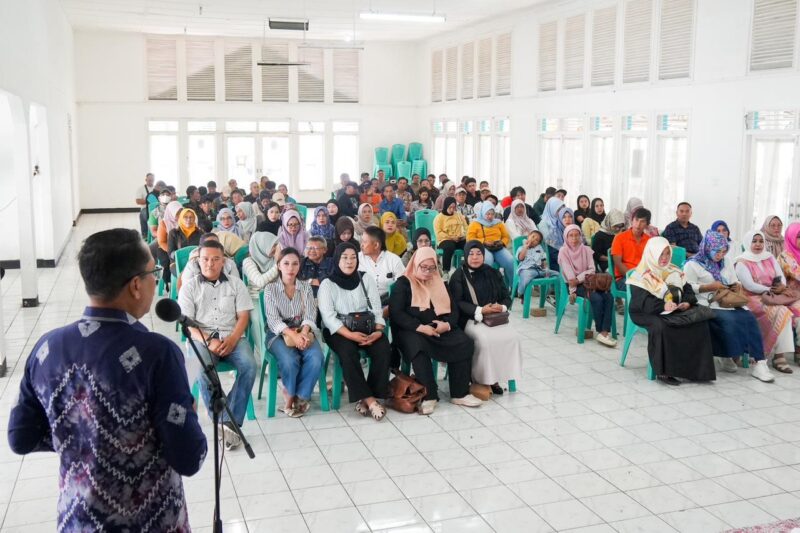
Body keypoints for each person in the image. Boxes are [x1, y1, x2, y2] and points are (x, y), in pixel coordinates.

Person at [8, 229, 206, 531]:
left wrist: (84, 435)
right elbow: (189, 457)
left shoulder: (47, 348)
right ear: (136, 285)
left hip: (78, 521)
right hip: (149, 523)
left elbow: (20, 438)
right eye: (153, 272)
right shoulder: (157, 353)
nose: (155, 281)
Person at [178, 240, 256, 450]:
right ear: (198, 260)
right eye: (205, 259)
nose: (210, 264)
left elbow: (243, 317)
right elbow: (187, 325)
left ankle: (228, 422)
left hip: (232, 336)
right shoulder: (189, 287)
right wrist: (209, 340)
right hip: (201, 338)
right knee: (201, 367)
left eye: (215, 259)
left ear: (224, 261)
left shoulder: (236, 284)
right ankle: (223, 421)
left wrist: (233, 338)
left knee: (249, 365)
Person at [389, 247, 483, 414]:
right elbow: (396, 313)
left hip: (438, 327)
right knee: (417, 346)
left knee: (464, 342)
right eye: (423, 267)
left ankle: (460, 393)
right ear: (415, 264)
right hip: (412, 329)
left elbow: (454, 310)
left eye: (432, 268)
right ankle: (429, 395)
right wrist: (420, 327)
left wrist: (447, 325)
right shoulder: (403, 284)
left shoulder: (440, 283)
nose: (428, 272)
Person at [684, 230, 775, 381]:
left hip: (728, 301)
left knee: (750, 319)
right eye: (717, 251)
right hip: (706, 303)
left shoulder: (725, 261)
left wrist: (736, 285)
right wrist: (708, 287)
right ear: (707, 247)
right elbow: (687, 287)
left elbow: (734, 279)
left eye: (723, 251)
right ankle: (726, 354)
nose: (720, 255)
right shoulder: (692, 265)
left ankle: (760, 363)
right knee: (729, 321)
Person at [627, 237, 716, 385]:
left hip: (674, 308)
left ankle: (697, 371)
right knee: (662, 326)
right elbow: (642, 301)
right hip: (645, 312)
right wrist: (663, 306)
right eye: (660, 254)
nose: (664, 258)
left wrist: (687, 302)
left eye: (667, 253)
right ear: (652, 254)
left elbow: (688, 290)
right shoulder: (640, 275)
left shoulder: (674, 270)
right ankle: (664, 372)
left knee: (699, 323)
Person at [318, 243, 391, 421]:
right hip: (338, 331)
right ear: (337, 259)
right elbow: (328, 318)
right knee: (348, 352)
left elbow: (376, 309)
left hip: (366, 327)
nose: (349, 262)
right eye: (344, 257)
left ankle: (369, 395)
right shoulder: (327, 284)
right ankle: (370, 400)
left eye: (353, 257)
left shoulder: (366, 279)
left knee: (383, 347)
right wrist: (351, 335)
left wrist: (378, 331)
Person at [449, 241, 522, 395]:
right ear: (465, 255)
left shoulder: (493, 273)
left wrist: (501, 307)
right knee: (486, 340)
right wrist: (481, 310)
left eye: (479, 254)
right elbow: (457, 302)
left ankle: (502, 375)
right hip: (471, 319)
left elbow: (506, 296)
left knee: (512, 338)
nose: (475, 257)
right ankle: (484, 379)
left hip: (494, 318)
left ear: (484, 255)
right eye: (471, 254)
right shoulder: (458, 276)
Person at [264, 248, 325, 417]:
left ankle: (300, 397)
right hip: (278, 333)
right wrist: (293, 335)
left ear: (299, 266)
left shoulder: (305, 287)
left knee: (316, 357)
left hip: (302, 329)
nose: (290, 268)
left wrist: (303, 333)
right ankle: (289, 395)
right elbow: (273, 320)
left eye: (295, 264)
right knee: (290, 360)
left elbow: (310, 314)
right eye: (286, 263)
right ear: (278, 266)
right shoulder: (270, 289)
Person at [735, 230, 798, 373]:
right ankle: (774, 355)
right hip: (752, 298)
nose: (758, 244)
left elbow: (780, 277)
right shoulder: (741, 262)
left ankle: (779, 356)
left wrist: (781, 286)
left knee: (785, 312)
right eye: (754, 241)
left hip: (772, 296)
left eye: (761, 241)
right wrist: (770, 289)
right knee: (782, 312)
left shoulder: (769, 257)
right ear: (748, 243)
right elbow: (749, 285)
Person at [558, 225, 617, 347]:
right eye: (571, 236)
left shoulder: (586, 250)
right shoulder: (563, 251)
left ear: (580, 236)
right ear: (566, 237)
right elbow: (570, 277)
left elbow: (592, 269)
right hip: (574, 286)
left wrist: (578, 278)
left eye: (577, 235)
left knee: (609, 297)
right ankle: (601, 332)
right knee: (596, 298)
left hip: (589, 282)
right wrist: (573, 290)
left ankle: (605, 331)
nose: (574, 238)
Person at [467, 202, 514, 287]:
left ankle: (513, 286)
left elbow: (506, 236)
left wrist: (501, 242)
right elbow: (470, 238)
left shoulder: (498, 223)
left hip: (497, 247)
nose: (490, 216)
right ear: (483, 213)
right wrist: (483, 241)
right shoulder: (475, 223)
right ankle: (487, 286)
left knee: (510, 261)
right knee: (487, 261)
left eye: (492, 214)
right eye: (487, 214)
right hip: (482, 247)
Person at [359, 226, 405, 306]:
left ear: (376, 245)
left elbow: (402, 287)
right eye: (361, 241)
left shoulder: (394, 260)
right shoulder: (357, 259)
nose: (361, 245)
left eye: (364, 242)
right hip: (363, 303)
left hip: (389, 303)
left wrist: (389, 308)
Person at [611, 208, 652, 290]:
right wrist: (634, 277)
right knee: (643, 289)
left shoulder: (649, 240)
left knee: (661, 286)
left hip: (644, 277)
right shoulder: (619, 238)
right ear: (631, 220)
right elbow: (618, 263)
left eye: (642, 221)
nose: (638, 224)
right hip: (623, 278)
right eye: (636, 220)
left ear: (647, 224)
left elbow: (651, 262)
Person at [516, 230, 558, 297]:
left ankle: (556, 293)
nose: (533, 240)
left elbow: (543, 260)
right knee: (525, 276)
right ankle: (520, 292)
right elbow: (520, 258)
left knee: (557, 274)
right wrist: (525, 247)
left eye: (536, 240)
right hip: (527, 269)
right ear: (528, 236)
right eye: (533, 237)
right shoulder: (521, 248)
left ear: (538, 243)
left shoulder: (539, 249)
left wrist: (546, 269)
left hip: (539, 270)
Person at [434, 196, 469, 276]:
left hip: (458, 238)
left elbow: (466, 227)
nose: (452, 209)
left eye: (454, 207)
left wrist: (464, 236)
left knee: (469, 244)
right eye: (450, 207)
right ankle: (446, 271)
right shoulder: (439, 218)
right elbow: (438, 233)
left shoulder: (458, 215)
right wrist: (451, 237)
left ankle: (467, 267)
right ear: (446, 206)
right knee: (449, 247)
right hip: (445, 239)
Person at [539, 197, 573, 271]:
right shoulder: (543, 224)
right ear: (552, 209)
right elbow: (549, 244)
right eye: (558, 209)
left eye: (562, 209)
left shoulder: (561, 221)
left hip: (565, 254)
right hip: (551, 256)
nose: (561, 212)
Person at [136, 172, 155, 237]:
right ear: (146, 180)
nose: (151, 182)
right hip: (145, 208)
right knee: (145, 215)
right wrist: (148, 201)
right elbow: (137, 201)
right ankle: (145, 234)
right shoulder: (141, 189)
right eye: (149, 180)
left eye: (152, 180)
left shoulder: (156, 188)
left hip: (155, 208)